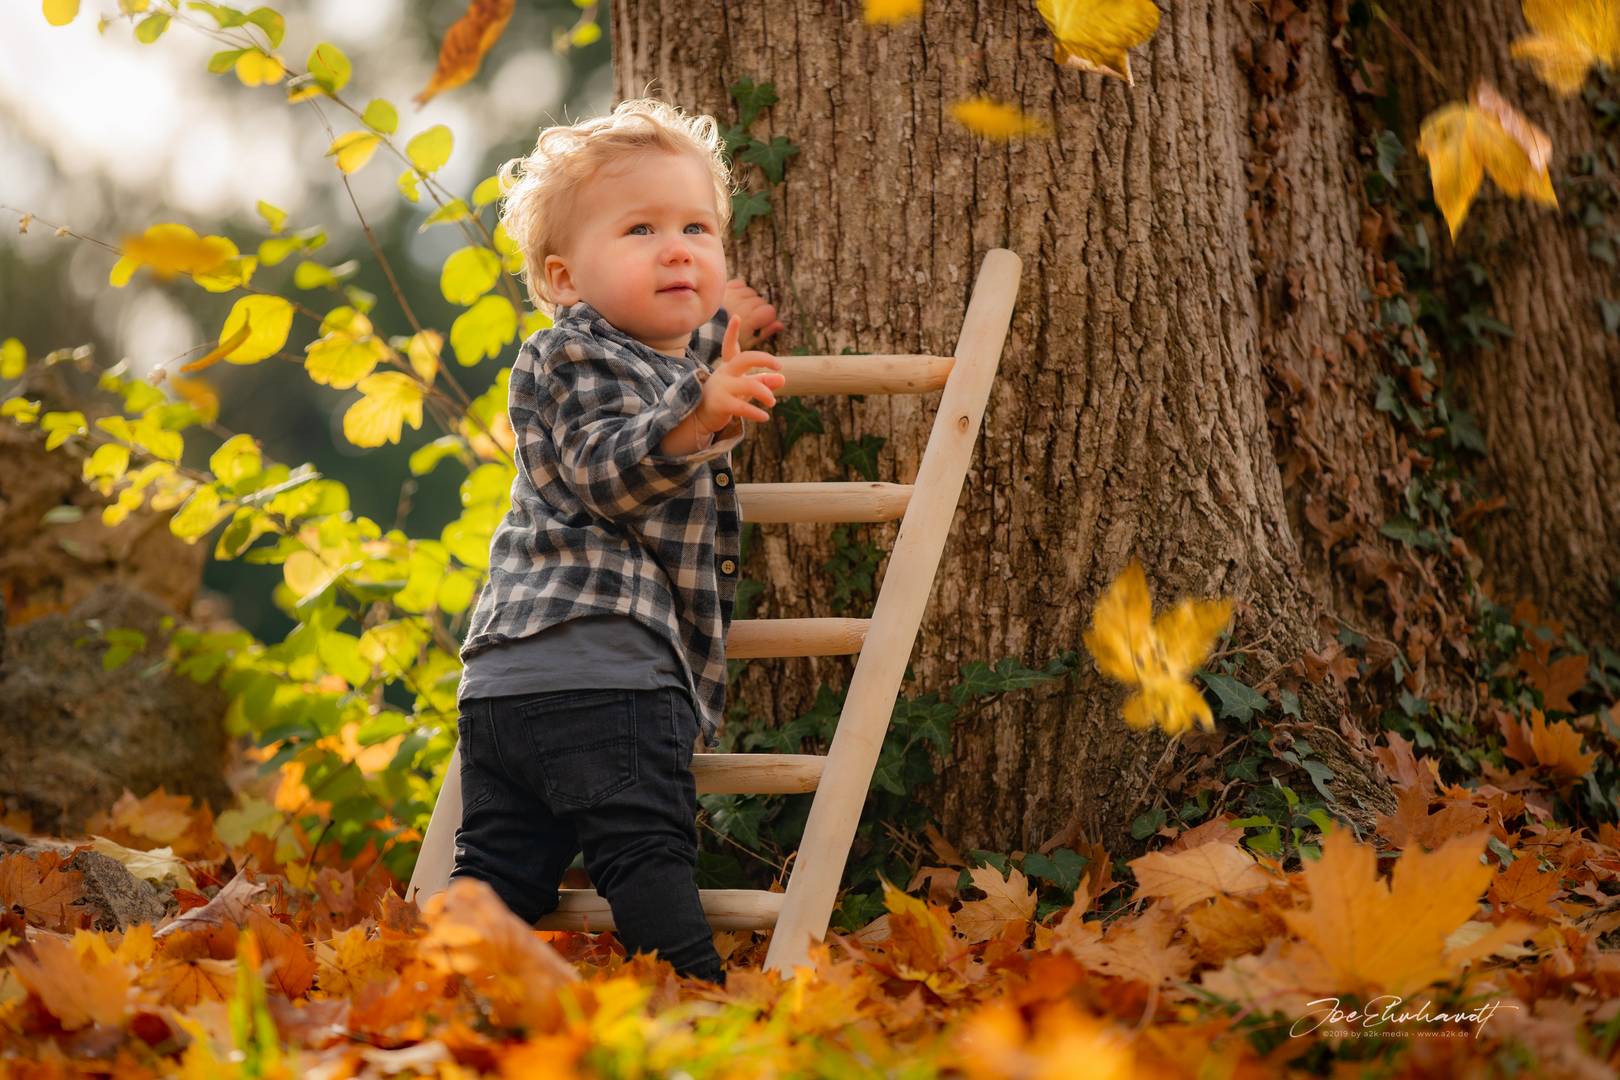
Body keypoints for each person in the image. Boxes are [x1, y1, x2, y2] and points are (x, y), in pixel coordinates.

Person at [449, 98, 789, 985]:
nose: (678, 249)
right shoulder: (570, 354)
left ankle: (448, 1008)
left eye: (698, 229)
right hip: (602, 677)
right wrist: (700, 411)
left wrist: (720, 327)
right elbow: (606, 464)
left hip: (505, 687)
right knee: (644, 855)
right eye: (640, 230)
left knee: (497, 878)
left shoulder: (657, 358)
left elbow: (670, 362)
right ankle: (695, 1000)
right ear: (563, 280)